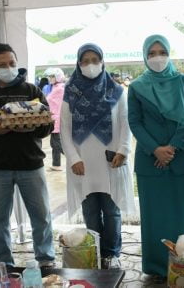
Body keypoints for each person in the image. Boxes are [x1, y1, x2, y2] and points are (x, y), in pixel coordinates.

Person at [0, 43, 55, 267]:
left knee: (42, 216)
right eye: (2, 65)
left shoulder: (32, 92)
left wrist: (34, 125)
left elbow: (47, 127)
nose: (9, 67)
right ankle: (4, 263)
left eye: (12, 63)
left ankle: (45, 260)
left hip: (31, 164)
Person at [127, 34, 184, 281]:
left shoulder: (180, 80)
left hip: (180, 157)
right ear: (145, 57)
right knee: (155, 217)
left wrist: (171, 148)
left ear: (169, 53)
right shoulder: (137, 86)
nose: (157, 57)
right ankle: (158, 267)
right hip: (151, 160)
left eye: (161, 52)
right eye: (152, 53)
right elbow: (134, 122)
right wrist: (156, 149)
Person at [60, 43, 135, 269]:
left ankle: (111, 254)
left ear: (103, 62)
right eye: (85, 60)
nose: (90, 65)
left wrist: (123, 150)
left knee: (111, 211)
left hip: (111, 159)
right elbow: (64, 127)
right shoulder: (70, 91)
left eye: (95, 60)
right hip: (83, 162)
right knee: (90, 210)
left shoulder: (116, 90)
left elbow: (125, 121)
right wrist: (73, 158)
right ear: (78, 64)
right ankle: (93, 251)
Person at [45, 68, 66, 171]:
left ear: (57, 77)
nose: (50, 78)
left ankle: (71, 158)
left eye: (52, 76)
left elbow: (47, 101)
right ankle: (56, 164)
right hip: (55, 118)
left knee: (56, 143)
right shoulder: (57, 87)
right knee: (55, 143)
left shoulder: (59, 88)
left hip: (56, 119)